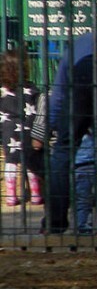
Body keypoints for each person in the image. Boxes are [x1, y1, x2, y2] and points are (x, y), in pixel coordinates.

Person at [34, 30, 97, 234]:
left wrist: (50, 130)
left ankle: (55, 223)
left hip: (84, 74)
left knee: (64, 150)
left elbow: (58, 97)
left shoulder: (74, 48)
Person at [0, 48, 43, 206]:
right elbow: (40, 107)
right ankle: (36, 194)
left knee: (10, 162)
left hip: (8, 130)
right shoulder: (31, 89)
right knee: (30, 162)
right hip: (28, 129)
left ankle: (11, 196)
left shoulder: (3, 91)